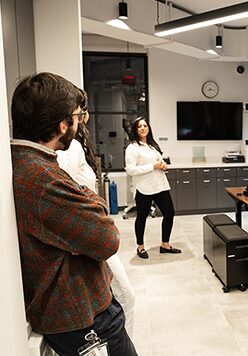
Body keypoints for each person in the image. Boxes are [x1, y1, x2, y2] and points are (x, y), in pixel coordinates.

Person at [10, 72, 137, 355]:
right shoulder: (42, 178)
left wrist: (88, 203)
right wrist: (94, 203)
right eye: (77, 116)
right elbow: (107, 238)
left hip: (79, 312)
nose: (80, 123)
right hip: (83, 318)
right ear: (61, 124)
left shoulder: (32, 164)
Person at [56, 90, 136, 338]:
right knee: (125, 297)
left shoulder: (78, 145)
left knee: (118, 300)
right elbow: (64, 182)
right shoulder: (71, 148)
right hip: (86, 237)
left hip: (89, 233)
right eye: (80, 111)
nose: (84, 116)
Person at [125, 117, 180, 259]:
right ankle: (140, 247)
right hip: (144, 187)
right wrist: (153, 166)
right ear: (135, 130)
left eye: (145, 125)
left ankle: (165, 245)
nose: (143, 128)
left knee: (169, 213)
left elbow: (158, 162)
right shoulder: (132, 148)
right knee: (142, 218)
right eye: (139, 126)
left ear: (149, 128)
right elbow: (130, 170)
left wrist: (162, 165)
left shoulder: (152, 145)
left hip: (160, 184)